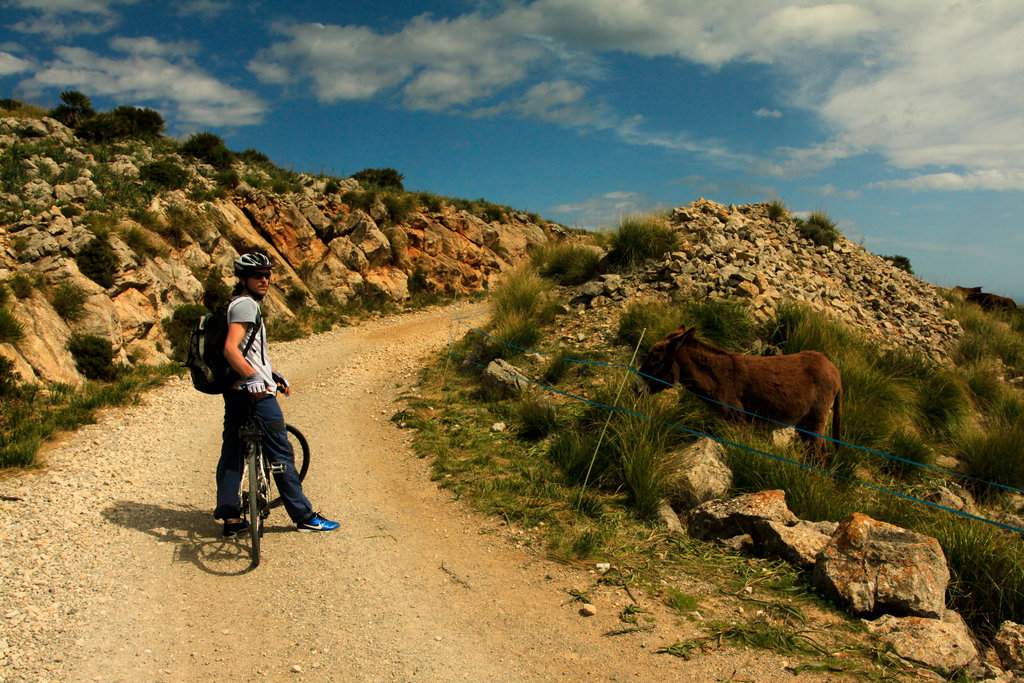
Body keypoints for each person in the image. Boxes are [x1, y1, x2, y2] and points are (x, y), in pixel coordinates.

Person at [214, 252, 340, 536]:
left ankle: (230, 517)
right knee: (281, 452)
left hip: (235, 391)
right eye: (258, 275)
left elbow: (250, 352)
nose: (264, 280)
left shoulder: (235, 304)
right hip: (254, 394)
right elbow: (230, 349)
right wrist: (255, 377)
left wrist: (271, 373)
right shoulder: (246, 305)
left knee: (232, 452)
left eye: (267, 275)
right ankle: (304, 516)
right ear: (243, 278)